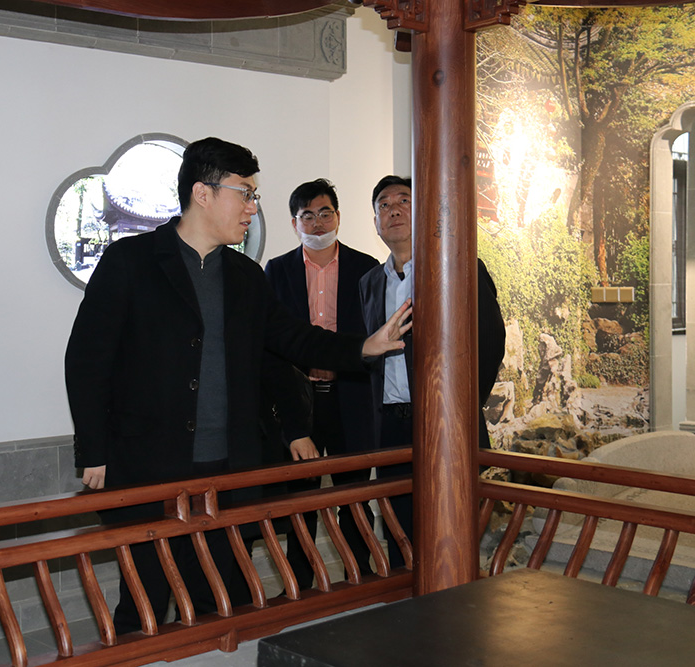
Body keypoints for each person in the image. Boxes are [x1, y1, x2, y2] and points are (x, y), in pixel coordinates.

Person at [64, 138, 411, 634]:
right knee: (145, 603)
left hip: (229, 469)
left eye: (254, 196)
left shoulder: (246, 276)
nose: (252, 207)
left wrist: (363, 347)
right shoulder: (131, 261)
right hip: (149, 463)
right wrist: (93, 450)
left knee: (220, 601)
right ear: (203, 193)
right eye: (245, 193)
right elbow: (87, 360)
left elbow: (293, 340)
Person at [359, 175, 505, 568]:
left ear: (422, 211)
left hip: (445, 421)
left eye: (403, 201)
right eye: (384, 205)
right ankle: (403, 601)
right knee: (397, 528)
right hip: (391, 428)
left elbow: (491, 341)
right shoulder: (369, 283)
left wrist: (461, 405)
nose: (393, 210)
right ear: (375, 222)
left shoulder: (458, 266)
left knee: (449, 530)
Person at [264, 178, 380, 589]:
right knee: (300, 498)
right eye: (307, 216)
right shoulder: (277, 270)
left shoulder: (366, 267)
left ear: (338, 217)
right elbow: (272, 339)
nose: (317, 223)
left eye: (324, 213)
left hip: (352, 397)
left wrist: (340, 363)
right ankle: (298, 582)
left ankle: (360, 574)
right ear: (294, 223)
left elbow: (372, 332)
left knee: (355, 493)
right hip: (300, 401)